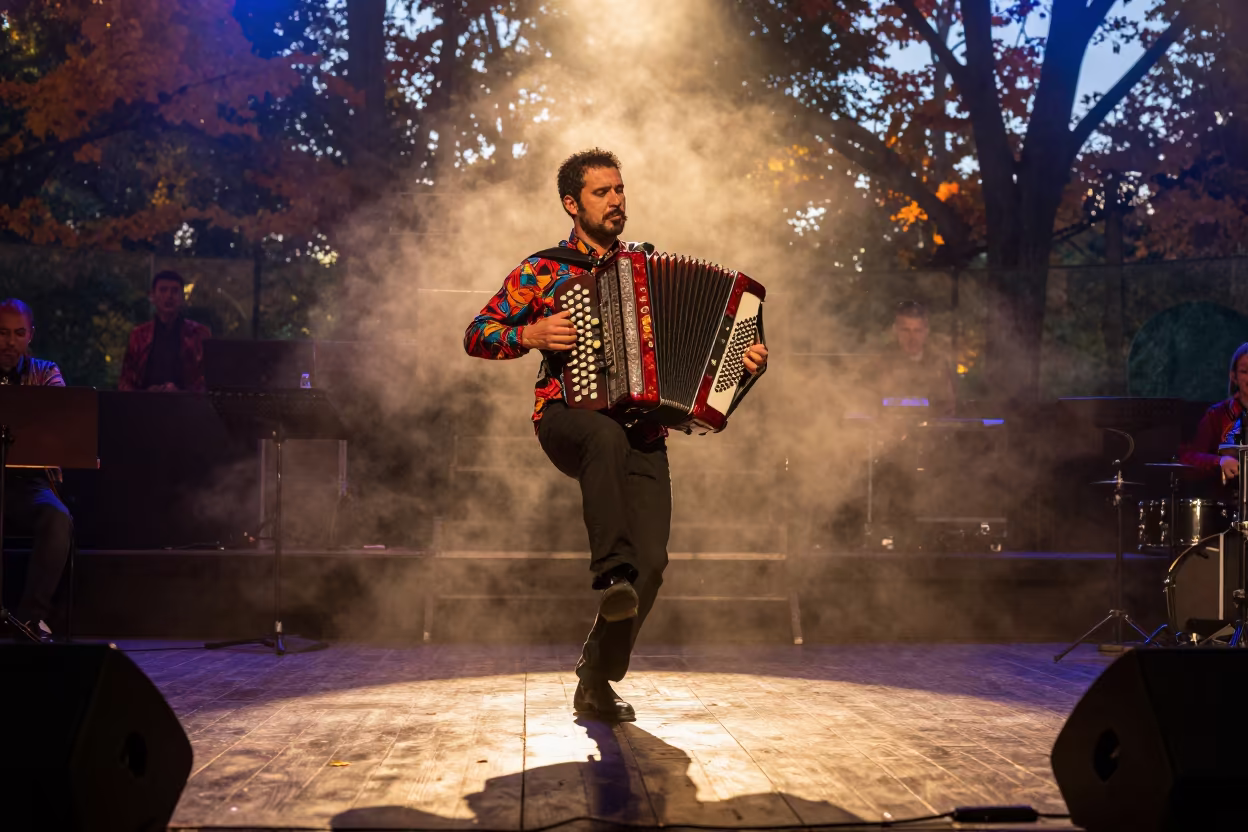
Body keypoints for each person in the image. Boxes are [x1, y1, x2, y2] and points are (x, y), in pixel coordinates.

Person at [463, 148, 768, 721]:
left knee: (653, 562)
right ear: (571, 204)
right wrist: (532, 334)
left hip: (645, 430)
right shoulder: (544, 269)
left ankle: (596, 674)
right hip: (565, 417)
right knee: (602, 439)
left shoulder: (645, 266)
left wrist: (743, 362)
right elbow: (477, 332)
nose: (616, 201)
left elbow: (706, 362)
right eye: (603, 193)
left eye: (620, 190)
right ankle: (610, 573)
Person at [0, 299, 73, 641]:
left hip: (29, 482)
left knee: (58, 517)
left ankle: (29, 619)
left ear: (30, 335)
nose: (9, 341)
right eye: (1, 333)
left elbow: (58, 425)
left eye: (17, 333)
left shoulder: (46, 372)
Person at [118, 270, 211, 392]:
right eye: (163, 290)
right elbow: (125, 381)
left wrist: (180, 393)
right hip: (145, 406)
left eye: (175, 291)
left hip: (186, 407)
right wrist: (145, 394)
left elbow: (207, 381)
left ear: (182, 297)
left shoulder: (199, 334)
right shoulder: (139, 336)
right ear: (152, 296)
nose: (169, 296)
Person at [866, 300, 956, 417]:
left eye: (917, 331)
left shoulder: (939, 365)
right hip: (887, 430)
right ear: (896, 330)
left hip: (929, 431)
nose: (912, 338)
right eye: (906, 330)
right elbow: (869, 402)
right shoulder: (880, 362)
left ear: (926, 332)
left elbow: (948, 407)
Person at [1180, 342, 1248, 483]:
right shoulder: (1217, 415)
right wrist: (1220, 461)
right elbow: (1188, 456)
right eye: (1245, 372)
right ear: (1233, 376)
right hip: (1227, 499)